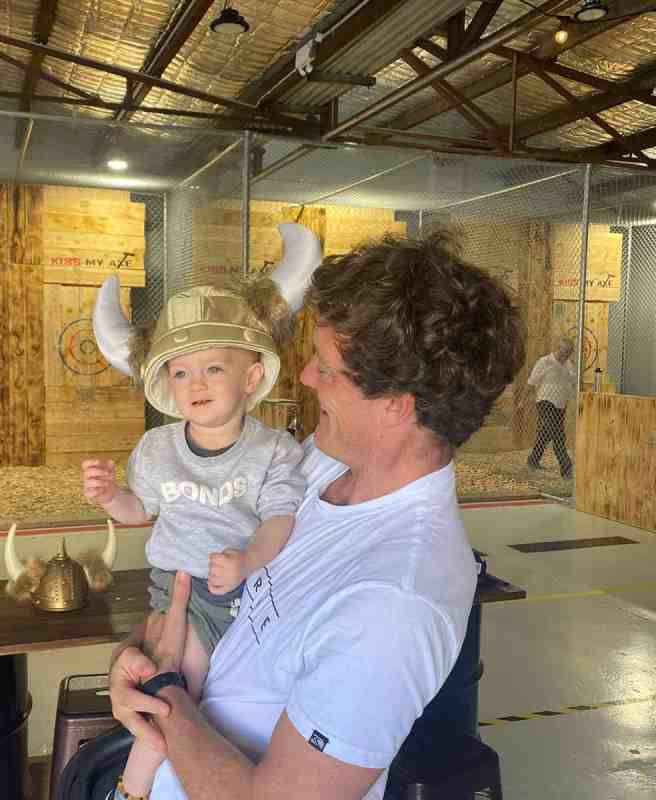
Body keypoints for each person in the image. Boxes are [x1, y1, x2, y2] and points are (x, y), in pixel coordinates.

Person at [103, 231, 525, 800]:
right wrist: (138, 652)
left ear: (396, 406)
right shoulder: (317, 467)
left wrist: (162, 691)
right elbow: (206, 593)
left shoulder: (395, 602)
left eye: (325, 370)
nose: (303, 378)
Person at [84, 224, 321, 799]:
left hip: (242, 586)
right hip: (178, 589)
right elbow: (141, 511)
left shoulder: (274, 450)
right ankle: (133, 787)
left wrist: (247, 561)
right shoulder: (158, 449)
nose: (196, 383)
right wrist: (109, 496)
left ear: (253, 376)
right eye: (181, 371)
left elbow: (281, 519)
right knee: (172, 687)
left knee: (205, 692)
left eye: (214, 367)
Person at [523, 336, 576, 479]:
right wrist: (523, 400)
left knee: (546, 434)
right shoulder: (544, 362)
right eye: (564, 352)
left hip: (560, 404)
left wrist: (564, 370)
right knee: (558, 434)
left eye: (568, 353)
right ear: (557, 349)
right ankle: (566, 467)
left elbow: (572, 382)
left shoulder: (568, 365)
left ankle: (533, 460)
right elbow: (532, 381)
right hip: (545, 401)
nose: (565, 356)